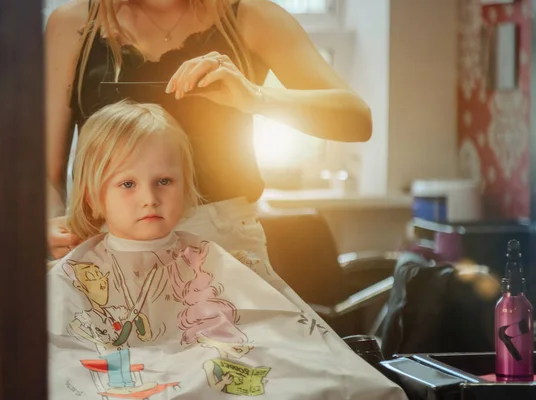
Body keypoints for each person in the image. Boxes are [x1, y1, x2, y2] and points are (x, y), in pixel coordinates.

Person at [47, 100, 406, 399]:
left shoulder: (207, 258)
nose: (149, 198)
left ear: (185, 188)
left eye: (164, 181)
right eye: (128, 183)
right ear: (94, 197)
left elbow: (274, 335)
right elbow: (61, 350)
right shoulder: (76, 271)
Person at [45, 0, 373, 259]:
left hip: (224, 253)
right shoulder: (72, 25)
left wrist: (254, 96)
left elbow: (357, 120)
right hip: (109, 250)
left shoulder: (253, 16)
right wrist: (51, 226)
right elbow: (48, 172)